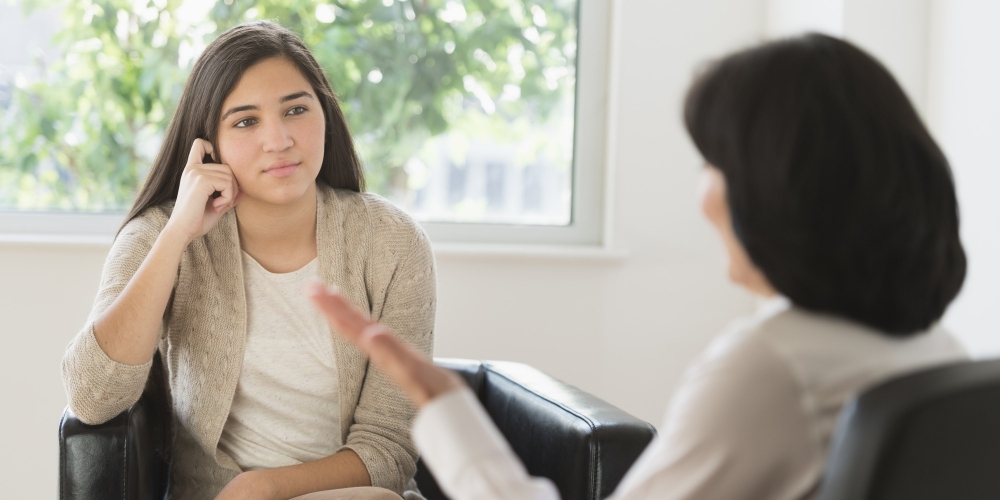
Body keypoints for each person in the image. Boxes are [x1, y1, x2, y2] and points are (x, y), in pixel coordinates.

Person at [307, 34, 969, 500]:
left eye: (714, 166)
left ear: (777, 190)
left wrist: (443, 403)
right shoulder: (936, 349)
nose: (704, 196)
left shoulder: (773, 366)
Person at [61, 22, 433, 500]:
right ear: (206, 145)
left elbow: (389, 450)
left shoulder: (393, 242)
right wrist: (178, 235)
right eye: (245, 121)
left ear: (326, 116)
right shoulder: (159, 235)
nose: (278, 140)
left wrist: (261, 488)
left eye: (296, 109)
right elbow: (93, 398)